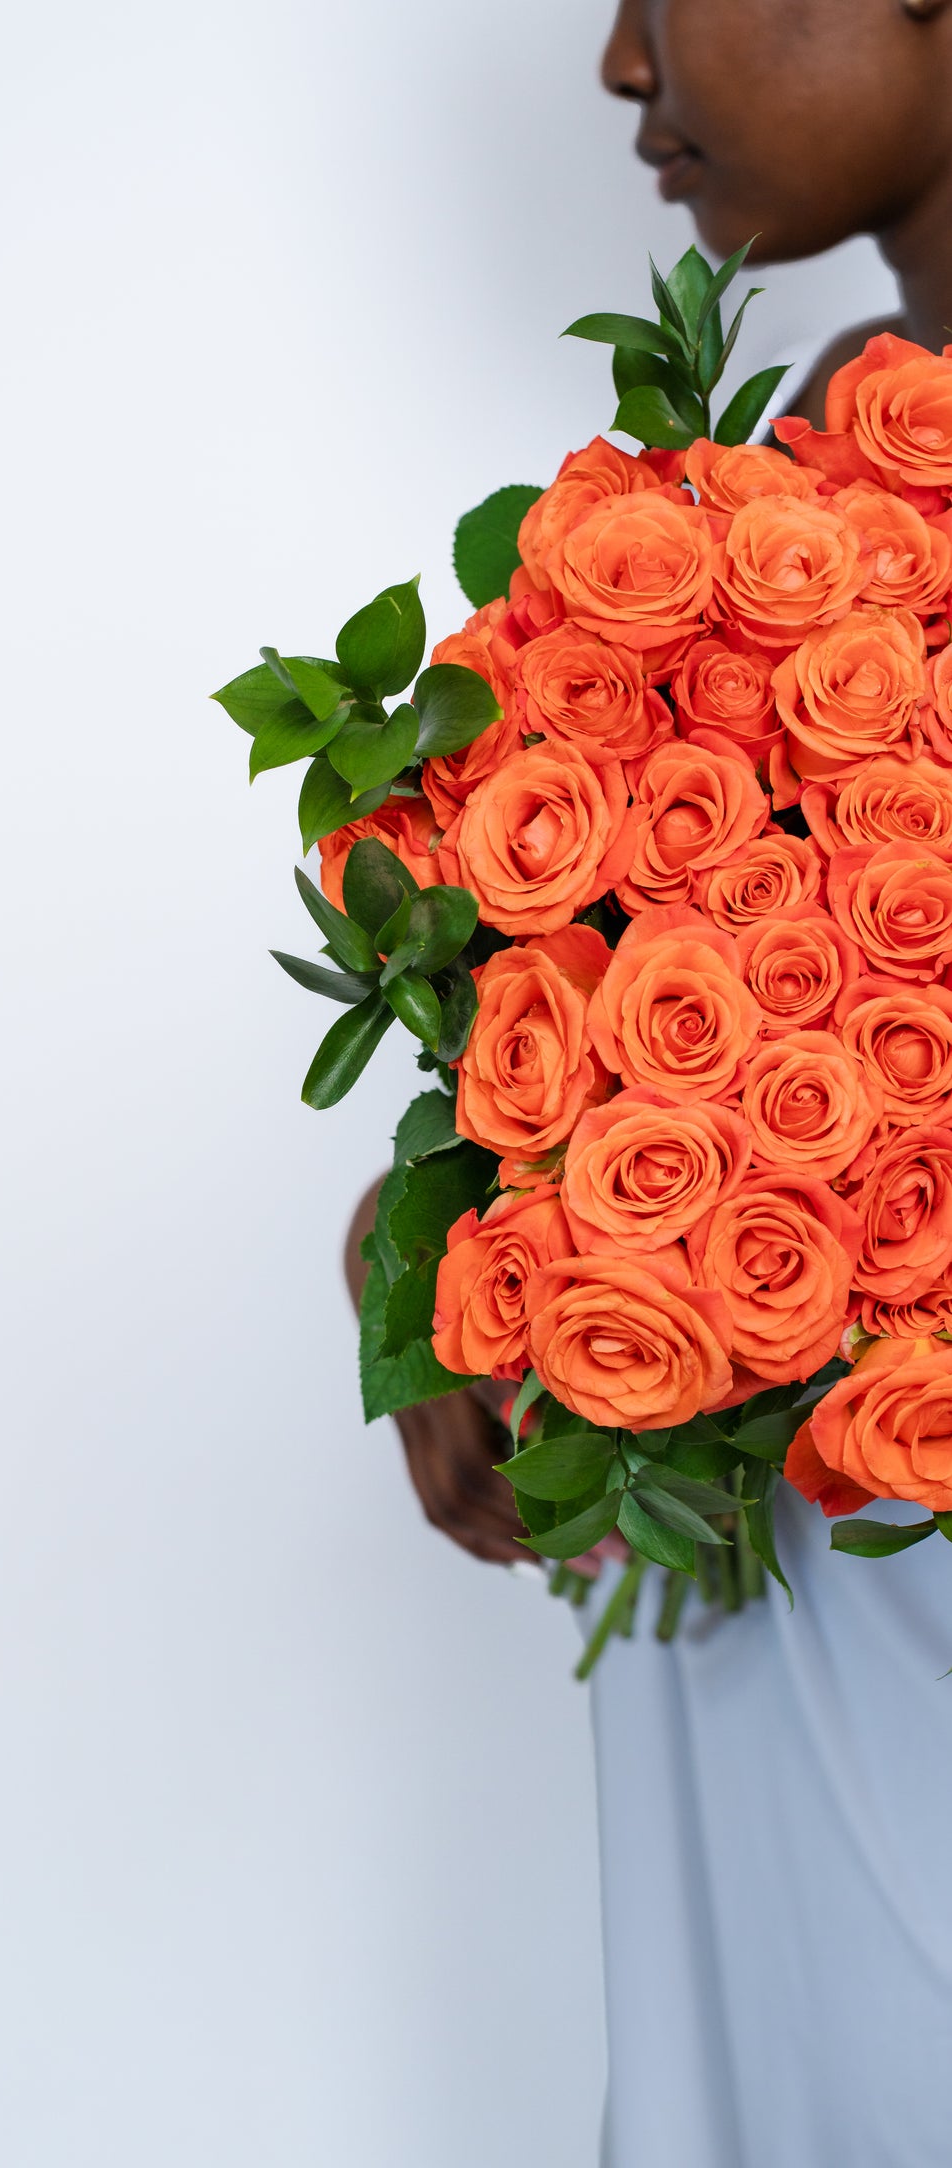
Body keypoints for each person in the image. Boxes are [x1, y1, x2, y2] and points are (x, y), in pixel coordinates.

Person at [350, 4, 952, 2160]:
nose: (623, 62)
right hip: (760, 1713)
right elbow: (616, 1000)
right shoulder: (758, 498)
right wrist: (450, 1236)